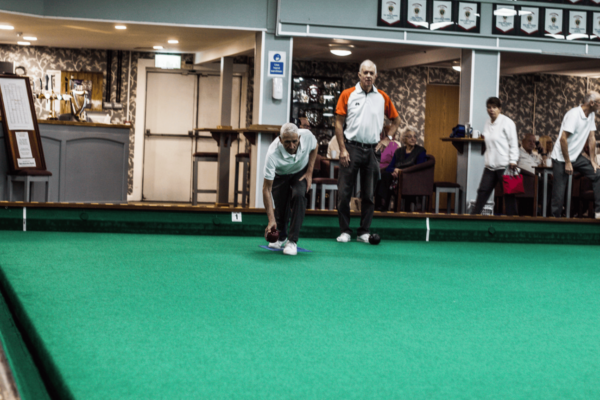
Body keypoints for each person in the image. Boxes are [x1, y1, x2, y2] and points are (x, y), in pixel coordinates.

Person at [334, 59, 401, 242]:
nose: (368, 76)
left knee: (369, 194)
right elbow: (338, 123)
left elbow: (396, 120)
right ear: (359, 75)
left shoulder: (382, 97)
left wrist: (388, 139)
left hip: (372, 151)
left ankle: (363, 232)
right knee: (344, 193)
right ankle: (345, 231)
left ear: (376, 76)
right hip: (351, 148)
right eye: (365, 73)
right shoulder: (348, 94)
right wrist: (342, 149)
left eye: (372, 73)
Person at [263, 123, 318, 255]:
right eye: (287, 142)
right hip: (280, 175)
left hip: (300, 172)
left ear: (299, 137)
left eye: (294, 141)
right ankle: (281, 236)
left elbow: (315, 147)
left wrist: (310, 172)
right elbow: (266, 189)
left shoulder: (307, 136)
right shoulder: (272, 153)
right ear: (280, 140)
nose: (292, 146)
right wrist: (271, 220)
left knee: (299, 195)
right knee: (281, 207)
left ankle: (292, 241)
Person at [550, 91, 600, 219]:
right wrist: (567, 162)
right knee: (559, 193)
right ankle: (554, 221)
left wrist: (593, 160)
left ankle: (598, 212)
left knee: (598, 174)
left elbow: (592, 138)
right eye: (599, 102)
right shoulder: (573, 115)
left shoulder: (591, 114)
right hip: (561, 157)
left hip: (576, 157)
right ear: (592, 102)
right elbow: (563, 139)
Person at [471, 97, 519, 216]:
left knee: (508, 195)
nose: (491, 110)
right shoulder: (487, 122)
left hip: (505, 166)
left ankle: (513, 220)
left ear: (500, 109)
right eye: (489, 107)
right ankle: (474, 217)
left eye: (494, 107)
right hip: (490, 165)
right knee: (482, 191)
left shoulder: (507, 122)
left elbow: (514, 142)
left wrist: (513, 160)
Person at [376, 127, 426, 211]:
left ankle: (383, 205)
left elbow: (419, 168)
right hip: (396, 177)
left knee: (387, 177)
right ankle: (381, 205)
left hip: (411, 178)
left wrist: (401, 171)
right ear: (404, 139)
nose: (413, 139)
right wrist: (395, 170)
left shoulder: (420, 151)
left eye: (414, 136)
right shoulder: (399, 151)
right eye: (409, 136)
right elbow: (389, 167)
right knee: (384, 175)